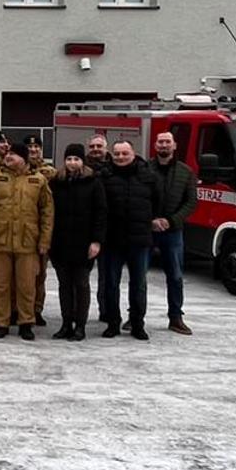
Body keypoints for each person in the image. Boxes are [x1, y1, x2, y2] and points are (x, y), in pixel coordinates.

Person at [0, 148, 54, 340]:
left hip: (28, 242)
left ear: (24, 158)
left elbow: (47, 212)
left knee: (27, 286)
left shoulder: (38, 180)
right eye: (8, 154)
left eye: (14, 154)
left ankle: (26, 322)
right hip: (0, 240)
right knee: (0, 285)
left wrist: (44, 240)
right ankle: (1, 322)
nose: (8, 157)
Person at [97, 140, 160, 340]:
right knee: (111, 284)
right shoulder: (104, 177)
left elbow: (158, 204)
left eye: (125, 153)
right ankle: (112, 323)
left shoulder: (148, 176)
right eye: (117, 154)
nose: (121, 157)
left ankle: (137, 324)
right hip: (112, 240)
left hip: (139, 240)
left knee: (139, 284)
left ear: (134, 154)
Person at [48, 144, 107, 341]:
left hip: (84, 244)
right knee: (64, 285)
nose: (72, 163)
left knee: (81, 284)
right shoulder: (56, 182)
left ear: (83, 161)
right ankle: (66, 323)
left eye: (76, 159)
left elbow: (101, 213)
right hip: (60, 243)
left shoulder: (93, 183)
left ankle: (80, 325)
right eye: (69, 159)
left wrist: (96, 241)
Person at [149, 131, 198, 336]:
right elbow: (138, 197)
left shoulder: (186, 172)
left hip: (173, 232)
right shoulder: (145, 169)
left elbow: (191, 202)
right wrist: (151, 220)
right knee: (138, 275)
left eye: (167, 142)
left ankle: (176, 317)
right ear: (155, 145)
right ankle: (135, 315)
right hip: (147, 230)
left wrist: (171, 221)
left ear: (174, 145)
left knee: (176, 276)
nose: (164, 145)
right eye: (160, 142)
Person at [22, 135, 57, 326]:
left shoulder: (50, 173)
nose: (33, 149)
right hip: (22, 229)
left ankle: (37, 309)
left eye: (36, 146)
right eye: (30, 146)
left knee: (39, 275)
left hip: (41, 230)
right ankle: (19, 309)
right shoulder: (17, 170)